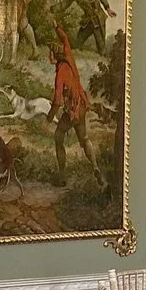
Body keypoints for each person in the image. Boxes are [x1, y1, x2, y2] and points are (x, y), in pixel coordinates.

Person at [46, 25, 102, 185]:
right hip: (82, 107)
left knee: (58, 137)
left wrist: (48, 120)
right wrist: (56, 26)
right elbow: (65, 39)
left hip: (72, 112)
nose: (48, 56)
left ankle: (62, 176)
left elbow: (57, 102)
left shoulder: (60, 75)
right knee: (84, 139)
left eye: (49, 53)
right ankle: (96, 167)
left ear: (54, 56)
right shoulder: (69, 56)